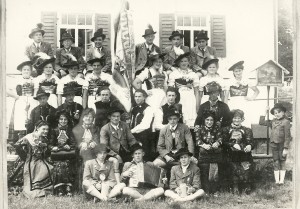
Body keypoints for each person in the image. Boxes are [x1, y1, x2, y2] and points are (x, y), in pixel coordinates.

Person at [14, 121, 53, 198]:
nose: (46, 131)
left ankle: (44, 190)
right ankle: (35, 191)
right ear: (37, 128)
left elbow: (45, 152)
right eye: (43, 129)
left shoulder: (44, 139)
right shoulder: (29, 137)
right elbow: (17, 145)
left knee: (49, 168)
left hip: (40, 160)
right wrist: (25, 157)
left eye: (47, 129)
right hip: (29, 160)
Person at [222, 109, 254, 194]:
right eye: (235, 118)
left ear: (242, 119)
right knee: (233, 167)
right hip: (231, 154)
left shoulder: (247, 130)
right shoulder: (226, 129)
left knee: (246, 166)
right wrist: (232, 145)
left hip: (244, 154)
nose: (237, 120)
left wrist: (249, 145)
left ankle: (247, 184)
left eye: (239, 118)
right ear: (232, 119)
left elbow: (251, 141)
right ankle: (234, 186)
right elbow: (223, 142)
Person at [259, 103, 291, 185]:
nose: (277, 114)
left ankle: (282, 180)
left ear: (283, 112)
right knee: (276, 161)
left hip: (282, 145)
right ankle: (277, 181)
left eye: (279, 112)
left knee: (282, 161)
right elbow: (261, 122)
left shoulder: (286, 122)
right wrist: (265, 112)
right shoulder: (273, 122)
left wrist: (286, 148)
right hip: (274, 144)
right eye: (275, 113)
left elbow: (287, 136)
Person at [7, 61, 38, 143]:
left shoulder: (34, 80)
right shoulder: (17, 80)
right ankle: (19, 142)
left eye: (28, 70)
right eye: (24, 69)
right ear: (21, 71)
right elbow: (6, 90)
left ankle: (31, 140)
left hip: (31, 101)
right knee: (20, 121)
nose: (26, 71)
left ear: (31, 71)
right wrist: (16, 96)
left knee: (30, 119)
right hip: (20, 102)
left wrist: (33, 99)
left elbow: (36, 91)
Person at [168, 52, 200, 127]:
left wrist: (197, 105)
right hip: (180, 98)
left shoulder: (193, 74)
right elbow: (171, 90)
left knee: (191, 118)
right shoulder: (174, 74)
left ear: (188, 62)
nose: (184, 63)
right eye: (181, 61)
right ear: (178, 63)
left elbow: (196, 91)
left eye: (185, 61)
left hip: (190, 98)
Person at [195, 111, 223, 194]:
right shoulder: (199, 129)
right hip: (204, 155)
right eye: (207, 120)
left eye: (211, 120)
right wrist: (204, 145)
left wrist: (217, 143)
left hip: (215, 154)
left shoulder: (217, 129)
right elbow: (197, 140)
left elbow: (220, 138)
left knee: (215, 173)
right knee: (204, 171)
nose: (209, 122)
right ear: (204, 120)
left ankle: (215, 190)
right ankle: (206, 190)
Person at [224, 61, 260, 126]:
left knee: (245, 122)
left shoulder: (246, 80)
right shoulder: (229, 82)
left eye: (239, 70)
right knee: (233, 122)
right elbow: (225, 97)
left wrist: (251, 98)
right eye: (236, 71)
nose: (238, 73)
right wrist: (226, 109)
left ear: (242, 70)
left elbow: (257, 91)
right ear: (233, 72)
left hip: (244, 104)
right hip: (233, 104)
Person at [50, 110, 76, 196]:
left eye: (65, 119)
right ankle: (59, 187)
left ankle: (68, 187)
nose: (63, 121)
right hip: (57, 155)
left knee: (67, 165)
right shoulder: (54, 130)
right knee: (59, 166)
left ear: (68, 120)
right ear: (58, 120)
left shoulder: (70, 130)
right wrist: (53, 147)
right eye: (61, 119)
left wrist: (69, 146)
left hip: (67, 154)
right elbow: (49, 144)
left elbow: (74, 143)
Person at [130, 89, 155, 161]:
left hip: (145, 137)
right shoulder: (134, 108)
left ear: (144, 97)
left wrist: (131, 131)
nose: (137, 98)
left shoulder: (148, 108)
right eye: (136, 96)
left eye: (139, 96)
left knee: (144, 158)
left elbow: (145, 125)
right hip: (134, 137)